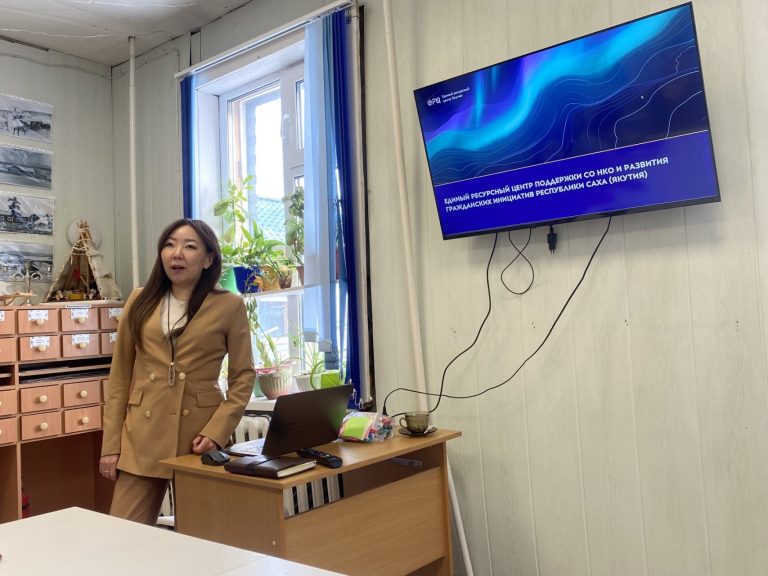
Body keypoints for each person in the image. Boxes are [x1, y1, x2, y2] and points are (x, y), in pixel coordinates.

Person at [99, 218, 255, 525]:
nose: (176, 253)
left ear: (208, 259)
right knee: (123, 533)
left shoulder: (229, 306)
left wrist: (217, 432)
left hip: (200, 436)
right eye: (169, 245)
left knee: (203, 535)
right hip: (142, 434)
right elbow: (119, 378)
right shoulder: (140, 300)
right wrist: (111, 446)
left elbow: (243, 377)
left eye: (189, 246)